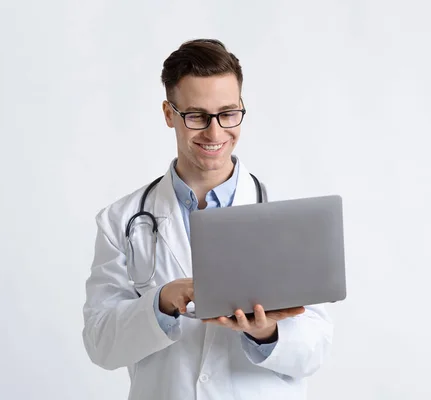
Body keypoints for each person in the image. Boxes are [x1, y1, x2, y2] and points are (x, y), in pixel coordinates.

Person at [82, 38, 334, 400]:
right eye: (197, 116)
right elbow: (100, 342)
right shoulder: (120, 220)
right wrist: (162, 303)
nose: (215, 133)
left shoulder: (289, 214)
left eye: (228, 113)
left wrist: (265, 334)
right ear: (169, 114)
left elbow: (318, 345)